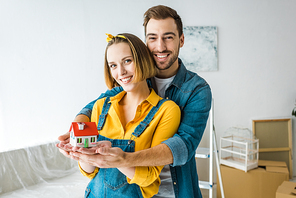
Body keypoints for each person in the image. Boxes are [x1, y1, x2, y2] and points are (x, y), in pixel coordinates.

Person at [57, 5, 212, 198]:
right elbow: (93, 108)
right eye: (153, 37)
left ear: (181, 40)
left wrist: (124, 159)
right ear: (145, 41)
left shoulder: (197, 90)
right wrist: (77, 135)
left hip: (174, 190)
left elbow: (183, 146)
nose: (160, 46)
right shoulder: (132, 80)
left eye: (168, 37)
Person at [71, 33, 181, 198]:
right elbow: (90, 172)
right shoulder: (101, 106)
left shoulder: (166, 110)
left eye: (127, 61)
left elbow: (150, 177)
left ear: (143, 60)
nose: (121, 72)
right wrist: (81, 152)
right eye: (113, 65)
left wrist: (117, 159)